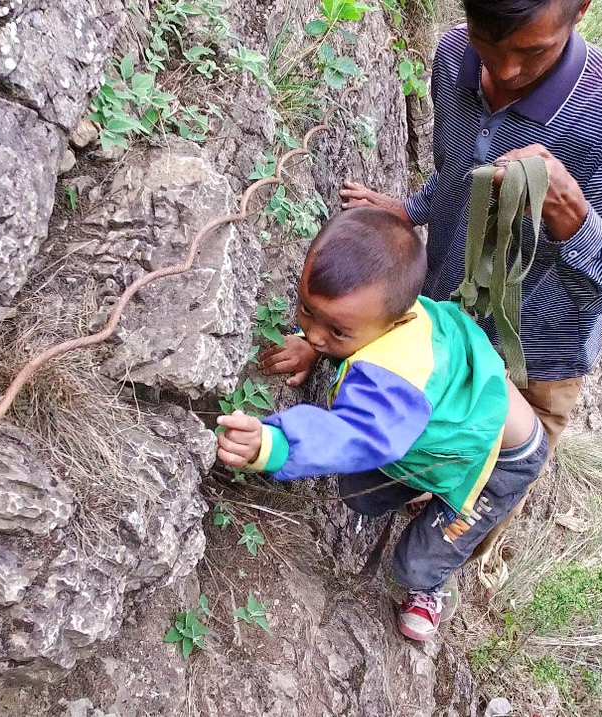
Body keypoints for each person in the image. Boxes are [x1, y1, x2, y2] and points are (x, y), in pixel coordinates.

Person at [336, 0, 602, 450]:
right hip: (437, 325)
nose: (507, 70)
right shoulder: (455, 54)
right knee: (398, 466)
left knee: (469, 512)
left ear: (582, 8)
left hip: (529, 368)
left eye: (534, 50)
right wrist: (411, 210)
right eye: (488, 41)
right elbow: (457, 167)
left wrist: (571, 215)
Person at [217, 208, 547, 641]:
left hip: (496, 462)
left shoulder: (399, 376)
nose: (315, 334)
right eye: (307, 311)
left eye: (336, 331)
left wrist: (275, 445)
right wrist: (317, 346)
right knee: (360, 494)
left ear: (392, 322)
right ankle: (425, 481)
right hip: (450, 427)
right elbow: (338, 329)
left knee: (415, 561)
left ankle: (431, 588)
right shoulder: (384, 314)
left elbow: (362, 434)